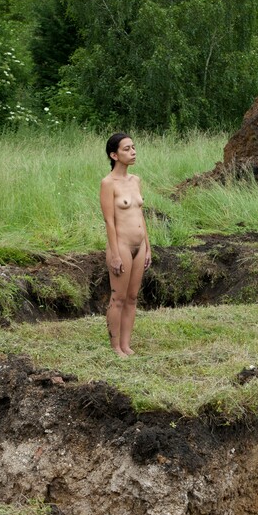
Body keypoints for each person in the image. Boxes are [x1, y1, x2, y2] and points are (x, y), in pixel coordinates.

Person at [99, 132, 151, 357]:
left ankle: (126, 345)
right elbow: (109, 221)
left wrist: (148, 248)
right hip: (121, 245)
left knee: (132, 297)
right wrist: (114, 254)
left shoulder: (136, 180)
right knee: (118, 297)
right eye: (127, 149)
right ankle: (115, 346)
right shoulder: (108, 183)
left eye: (133, 147)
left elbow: (140, 215)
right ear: (114, 155)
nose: (133, 152)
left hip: (140, 246)